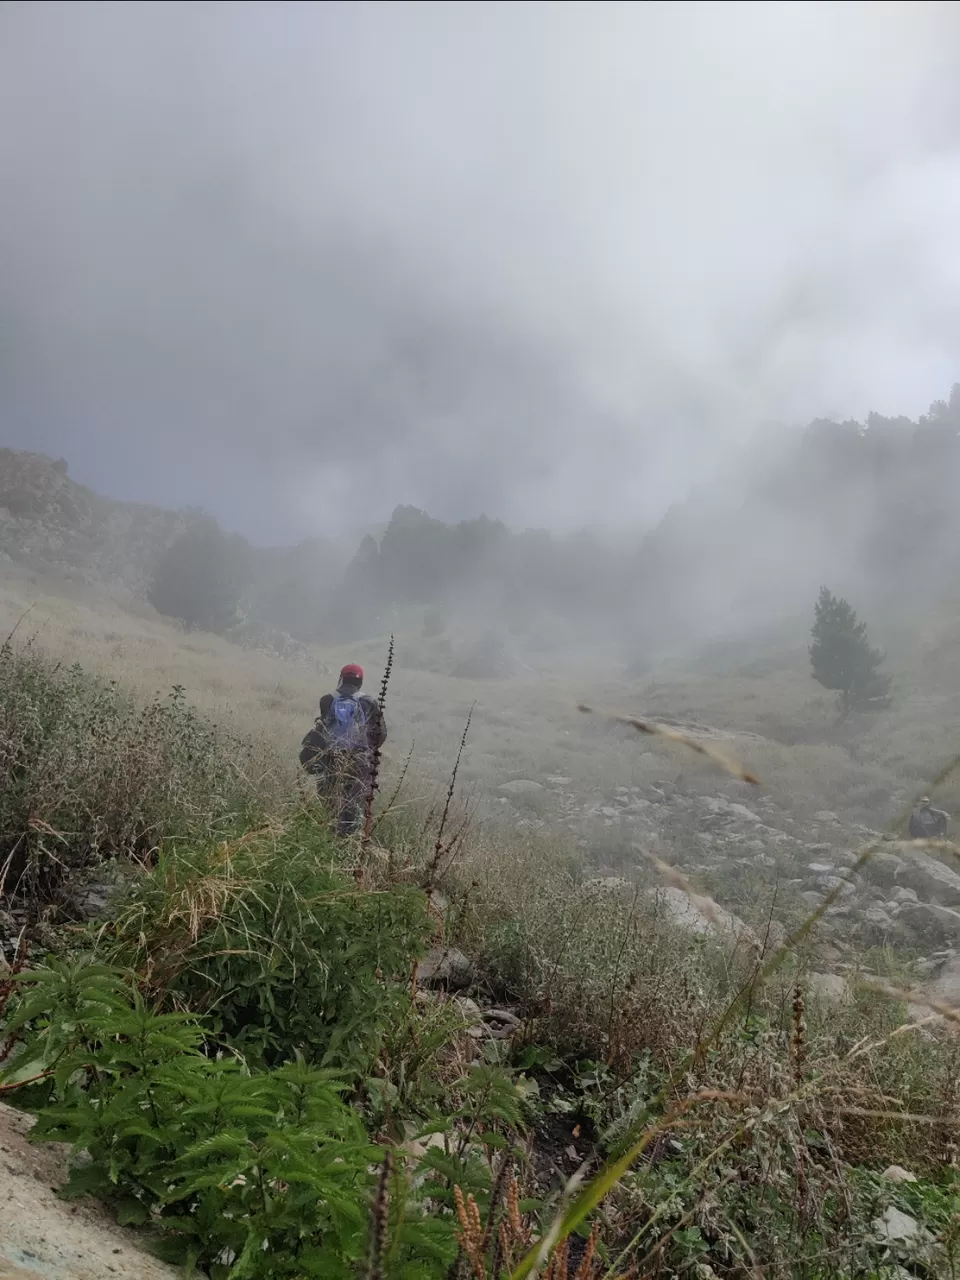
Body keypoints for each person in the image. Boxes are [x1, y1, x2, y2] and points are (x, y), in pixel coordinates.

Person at [299, 663, 386, 836]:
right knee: (353, 805)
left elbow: (323, 728)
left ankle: (328, 837)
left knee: (330, 801)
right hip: (359, 762)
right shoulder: (368, 702)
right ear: (360, 681)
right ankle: (348, 841)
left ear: (341, 678)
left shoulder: (327, 700)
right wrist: (367, 752)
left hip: (330, 758)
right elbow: (380, 735)